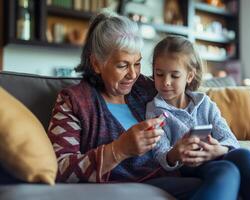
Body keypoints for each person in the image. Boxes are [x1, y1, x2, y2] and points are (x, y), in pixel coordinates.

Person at [47, 12, 204, 199]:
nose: (133, 74)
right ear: (97, 63)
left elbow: (188, 99)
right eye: (122, 65)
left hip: (176, 173)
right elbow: (59, 167)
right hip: (134, 187)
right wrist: (118, 150)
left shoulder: (145, 88)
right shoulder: (73, 101)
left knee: (232, 167)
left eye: (137, 64)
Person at [146, 35, 250, 200]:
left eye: (174, 75)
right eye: (159, 74)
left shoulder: (205, 103)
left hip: (213, 159)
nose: (166, 82)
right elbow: (159, 154)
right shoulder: (154, 110)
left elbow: (229, 139)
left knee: (242, 155)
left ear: (189, 76)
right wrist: (175, 153)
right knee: (227, 169)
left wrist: (219, 150)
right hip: (185, 167)